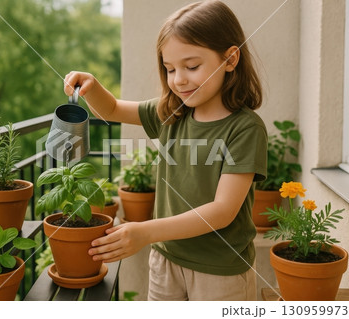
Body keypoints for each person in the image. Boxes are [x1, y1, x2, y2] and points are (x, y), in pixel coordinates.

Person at [64, 0, 267, 301]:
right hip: (165, 260)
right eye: (170, 69)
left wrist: (145, 232)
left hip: (220, 270)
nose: (179, 79)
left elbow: (222, 211)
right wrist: (92, 87)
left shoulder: (245, 129)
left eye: (192, 66)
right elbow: (114, 109)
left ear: (230, 59)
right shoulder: (172, 112)